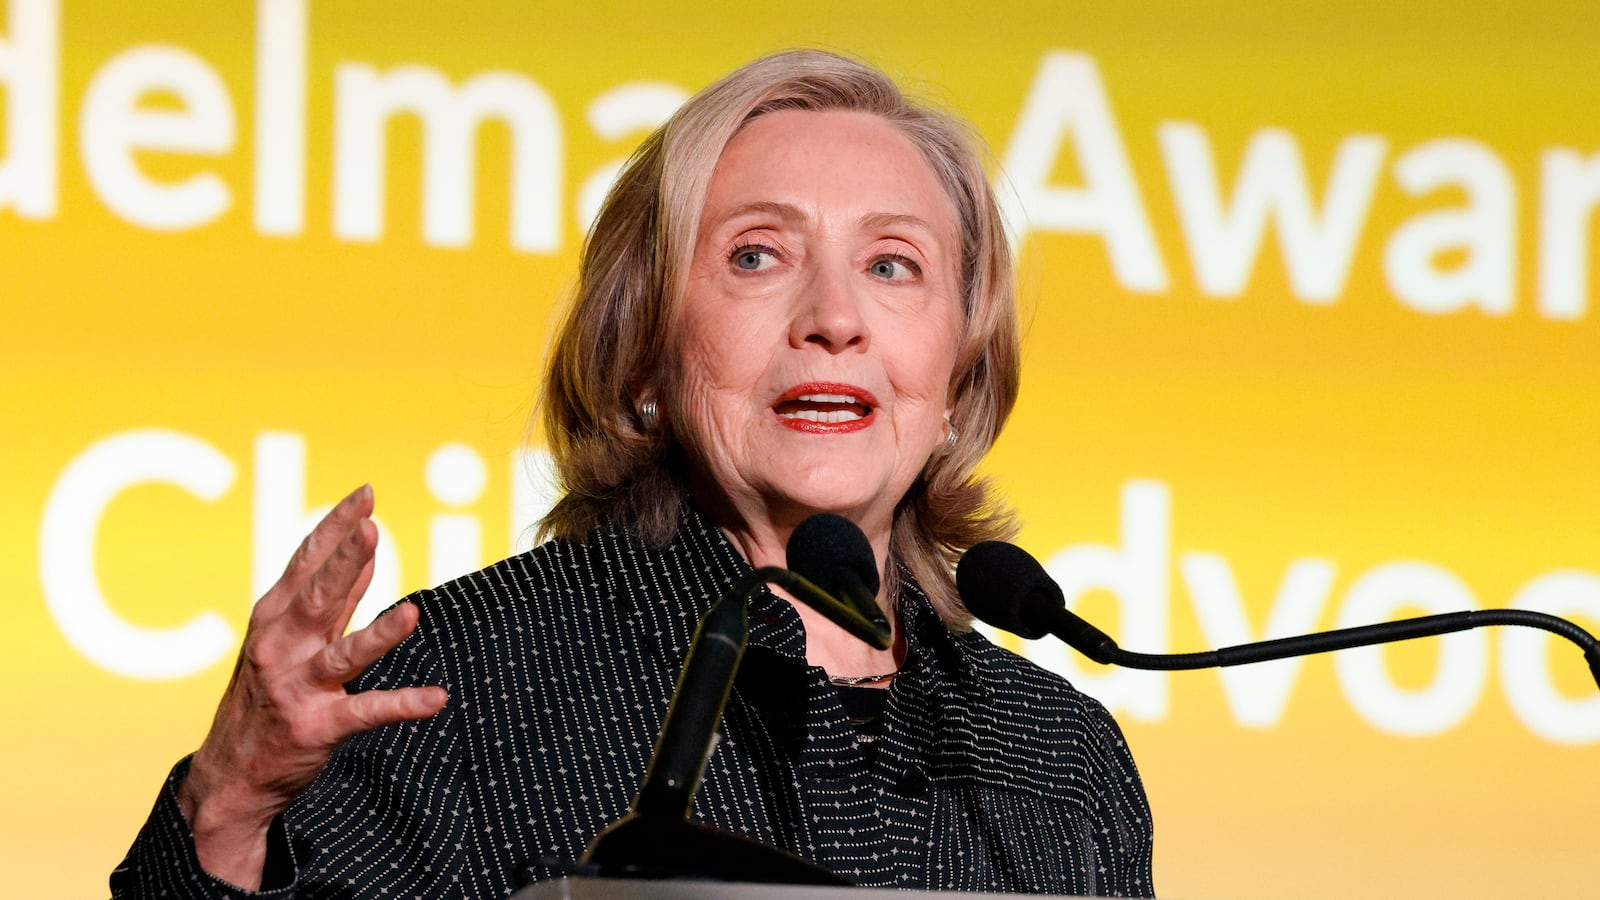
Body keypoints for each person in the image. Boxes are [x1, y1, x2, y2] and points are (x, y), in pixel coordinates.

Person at [111, 49, 1155, 898]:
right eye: (756, 255)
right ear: (645, 354)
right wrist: (231, 807)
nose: (834, 317)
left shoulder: (1059, 756)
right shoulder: (464, 686)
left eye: (892, 265)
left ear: (959, 371)